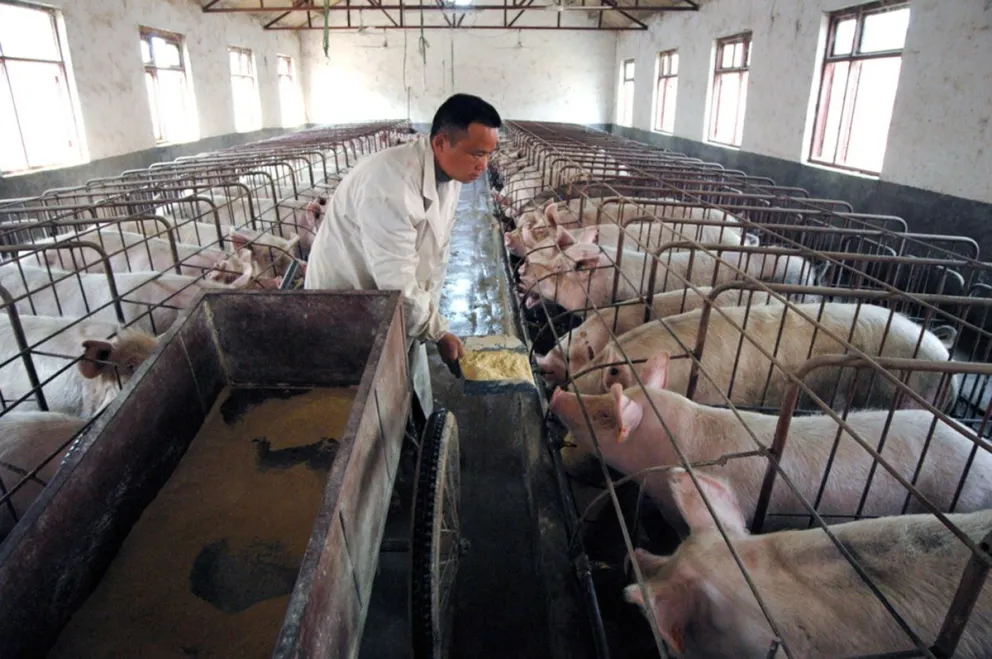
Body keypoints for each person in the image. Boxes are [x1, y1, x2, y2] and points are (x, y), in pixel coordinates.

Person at [304, 94, 502, 424]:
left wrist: (430, 320)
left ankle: (412, 424)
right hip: (349, 299)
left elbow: (431, 253)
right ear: (441, 142)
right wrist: (437, 331)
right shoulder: (389, 185)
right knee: (356, 405)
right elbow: (396, 281)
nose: (484, 165)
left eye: (489, 155)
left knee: (400, 376)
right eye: (477, 153)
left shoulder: (449, 175)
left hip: (393, 299)